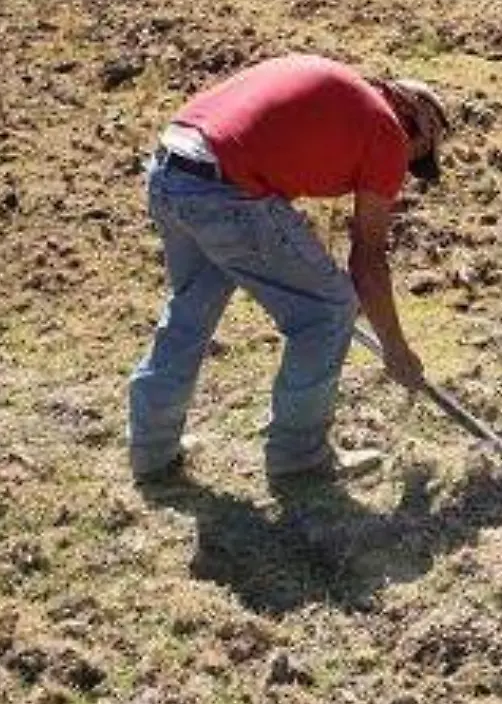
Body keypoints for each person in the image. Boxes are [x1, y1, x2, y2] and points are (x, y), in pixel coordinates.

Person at [129, 55, 452, 484]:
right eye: (416, 157)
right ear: (413, 117)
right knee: (328, 309)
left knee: (191, 308)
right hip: (224, 189)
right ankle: (299, 459)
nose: (403, 173)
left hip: (171, 169)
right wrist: (395, 348)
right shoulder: (385, 130)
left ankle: (151, 450)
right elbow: (368, 261)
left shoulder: (340, 97)